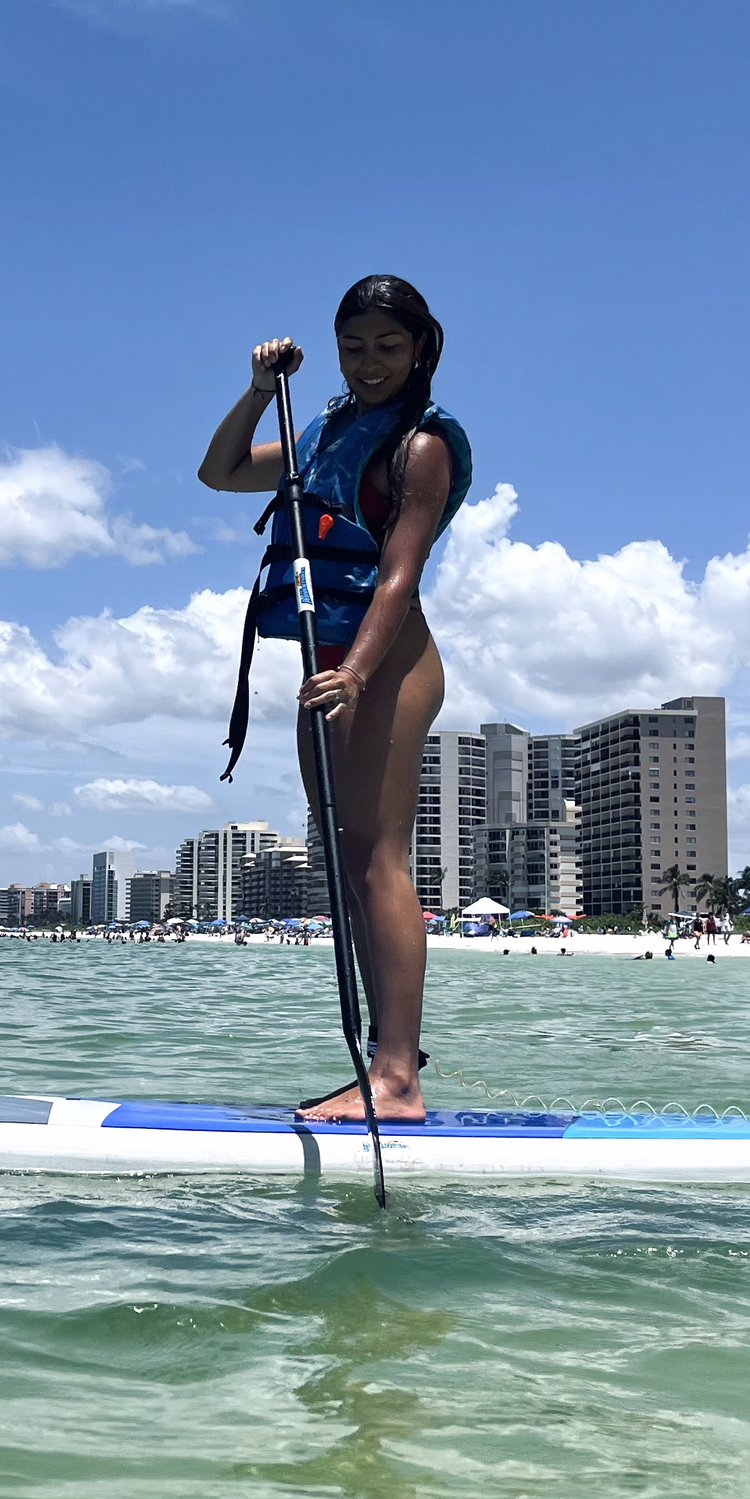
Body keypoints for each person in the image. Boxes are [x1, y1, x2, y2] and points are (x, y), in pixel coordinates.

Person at [202, 275, 472, 1122]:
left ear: (422, 347)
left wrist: (356, 672)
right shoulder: (322, 429)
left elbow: (399, 574)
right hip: (328, 669)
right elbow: (220, 473)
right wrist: (257, 392)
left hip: (384, 663)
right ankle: (389, 1062)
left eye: (388, 347)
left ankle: (396, 1081)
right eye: (353, 347)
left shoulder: (421, 446)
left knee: (379, 858)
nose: (369, 364)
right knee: (348, 866)